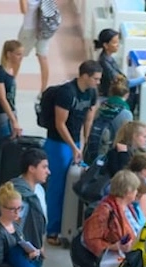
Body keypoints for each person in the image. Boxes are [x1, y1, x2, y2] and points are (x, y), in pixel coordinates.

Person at [43, 61, 102, 246]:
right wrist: (73, 146)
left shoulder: (91, 92)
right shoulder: (66, 93)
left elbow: (88, 117)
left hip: (74, 143)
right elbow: (60, 123)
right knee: (57, 187)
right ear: (84, 76)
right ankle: (52, 229)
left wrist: (84, 143)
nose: (98, 82)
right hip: (58, 143)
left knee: (74, 184)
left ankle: (67, 226)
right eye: (95, 78)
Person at [8, 148, 50, 267]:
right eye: (44, 167)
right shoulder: (17, 195)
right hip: (21, 256)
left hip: (34, 251)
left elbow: (41, 220)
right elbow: (13, 229)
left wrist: (40, 245)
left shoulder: (39, 190)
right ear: (31, 168)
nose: (48, 172)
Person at [84, 77, 133, 166]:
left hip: (95, 150)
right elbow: (126, 139)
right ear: (127, 94)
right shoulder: (126, 113)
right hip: (112, 156)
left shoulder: (101, 107)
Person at [93, 29, 146, 98]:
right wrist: (145, 79)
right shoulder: (104, 63)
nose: (118, 45)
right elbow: (124, 83)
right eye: (114, 43)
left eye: (118, 42)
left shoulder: (108, 58)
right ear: (106, 45)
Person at [0, 40, 25, 147]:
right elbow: (2, 98)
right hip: (3, 116)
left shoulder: (10, 71)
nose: (21, 57)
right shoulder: (0, 72)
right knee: (6, 147)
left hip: (10, 113)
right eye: (18, 54)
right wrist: (13, 120)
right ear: (8, 54)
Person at [17, 0, 53, 91]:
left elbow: (24, 10)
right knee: (43, 58)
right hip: (45, 27)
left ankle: (10, 81)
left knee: (17, 55)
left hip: (29, 28)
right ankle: (43, 89)